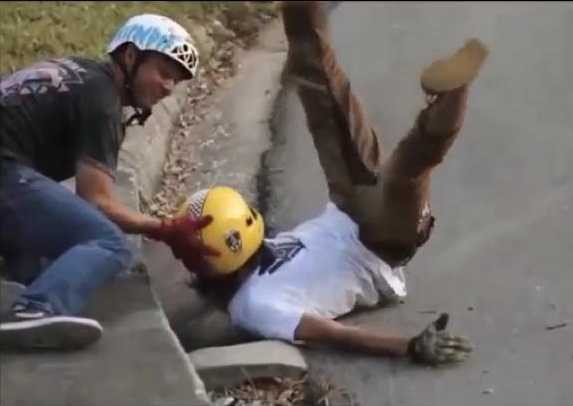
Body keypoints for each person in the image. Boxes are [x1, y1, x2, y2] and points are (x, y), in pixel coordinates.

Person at [179, 1, 488, 366]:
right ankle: (455, 91)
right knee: (408, 167)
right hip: (381, 243)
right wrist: (408, 346)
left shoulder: (249, 260)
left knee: (320, 89)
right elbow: (332, 334)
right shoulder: (254, 307)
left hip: (347, 207)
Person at [0, 14, 219, 351]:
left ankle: (23, 281)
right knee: (109, 244)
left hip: (12, 171)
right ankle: (34, 309)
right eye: (164, 73)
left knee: (46, 255)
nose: (168, 88)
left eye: (175, 81)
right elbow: (96, 201)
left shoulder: (80, 74)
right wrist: (164, 229)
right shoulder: (102, 101)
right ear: (130, 56)